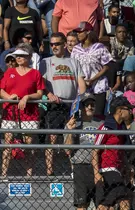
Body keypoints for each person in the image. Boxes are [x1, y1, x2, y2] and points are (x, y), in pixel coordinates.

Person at [80, 96, 135, 210]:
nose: (130, 112)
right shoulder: (106, 127)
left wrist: (127, 167)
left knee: (104, 209)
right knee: (124, 202)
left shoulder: (121, 128)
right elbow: (95, 150)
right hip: (107, 170)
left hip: (117, 171)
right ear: (119, 110)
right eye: (128, 109)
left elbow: (121, 153)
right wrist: (96, 173)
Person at [41, 32, 86, 177]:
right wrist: (49, 95)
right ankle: (50, 172)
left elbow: (81, 84)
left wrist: (80, 99)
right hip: (55, 104)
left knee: (71, 139)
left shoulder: (74, 62)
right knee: (52, 138)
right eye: (52, 44)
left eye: (57, 44)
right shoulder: (45, 62)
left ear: (64, 45)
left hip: (71, 105)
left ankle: (74, 171)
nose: (54, 46)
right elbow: (40, 84)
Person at [0, 48, 45, 178]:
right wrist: (8, 97)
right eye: (17, 56)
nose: (18, 58)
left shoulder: (35, 73)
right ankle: (4, 175)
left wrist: (27, 97)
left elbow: (40, 93)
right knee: (8, 143)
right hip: (10, 111)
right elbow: (1, 89)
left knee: (28, 144)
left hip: (29, 112)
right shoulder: (9, 72)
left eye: (21, 56)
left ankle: (28, 174)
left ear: (29, 57)